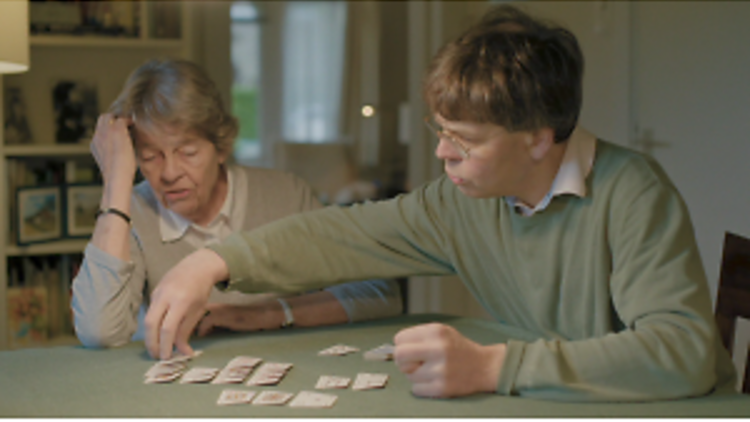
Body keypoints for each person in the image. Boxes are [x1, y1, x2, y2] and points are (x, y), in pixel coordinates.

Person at [142, 6, 736, 402]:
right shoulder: (460, 203)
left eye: (466, 140)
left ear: (539, 136)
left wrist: (495, 368)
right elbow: (340, 235)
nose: (442, 154)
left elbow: (683, 354)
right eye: (440, 131)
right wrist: (213, 263)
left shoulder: (634, 192)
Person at [71, 59, 403, 348]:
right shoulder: (130, 213)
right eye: (150, 156)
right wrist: (116, 185)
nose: (169, 173)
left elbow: (380, 294)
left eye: (188, 153)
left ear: (221, 147)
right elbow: (100, 332)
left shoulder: (286, 195)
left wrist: (270, 314)